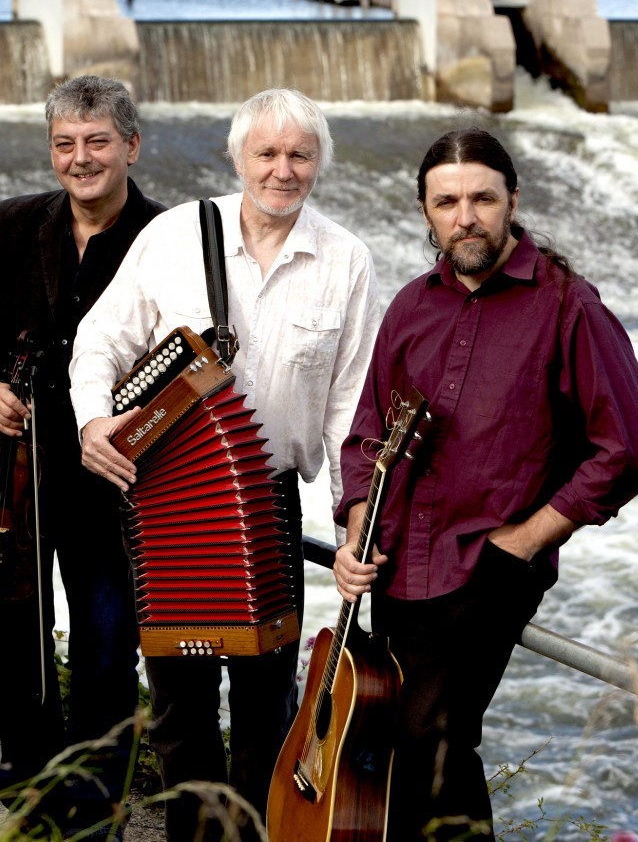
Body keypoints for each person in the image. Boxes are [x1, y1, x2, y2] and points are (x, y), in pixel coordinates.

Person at [68, 88, 381, 841]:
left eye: (299, 155)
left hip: (270, 501)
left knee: (268, 706)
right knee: (178, 708)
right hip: (165, 497)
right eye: (266, 154)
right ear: (238, 158)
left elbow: (351, 410)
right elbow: (99, 339)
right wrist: (91, 423)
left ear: (319, 164)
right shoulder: (175, 235)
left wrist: (353, 527)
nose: (282, 170)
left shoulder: (347, 259)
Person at [333, 127, 638, 842]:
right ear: (426, 213)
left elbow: (627, 446)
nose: (466, 216)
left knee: (431, 737)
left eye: (482, 197)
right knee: (399, 745)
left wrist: (530, 536)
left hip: (488, 566)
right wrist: (357, 518)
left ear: (514, 199)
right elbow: (363, 436)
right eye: (447, 201)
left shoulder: (569, 305)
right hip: (396, 566)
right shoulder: (412, 307)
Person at [0, 76, 165, 838]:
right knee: (15, 655)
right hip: (10, 487)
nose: (81, 158)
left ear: (130, 146)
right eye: (65, 143)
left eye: (97, 141)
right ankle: (30, 800)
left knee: (104, 657)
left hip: (111, 493)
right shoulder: (8, 225)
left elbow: (191, 363)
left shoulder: (167, 240)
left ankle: (96, 812)